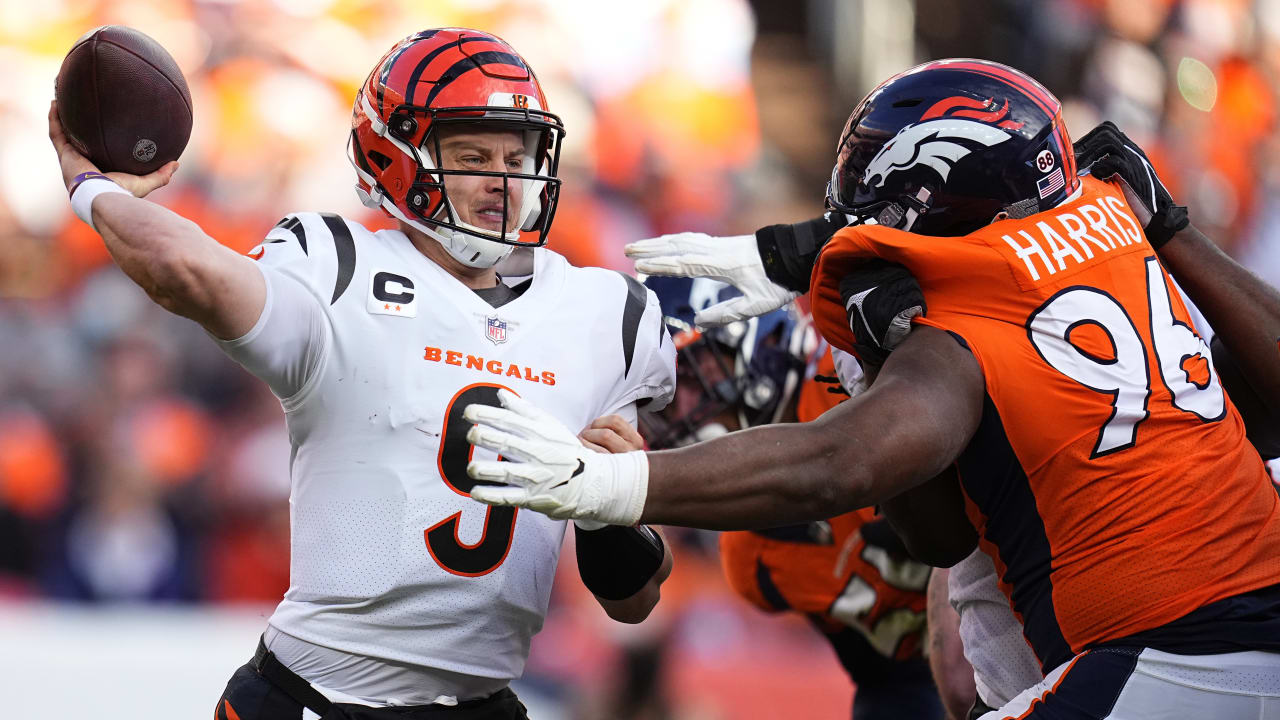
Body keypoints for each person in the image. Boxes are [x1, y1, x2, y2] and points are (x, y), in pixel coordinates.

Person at [458, 59, 1280, 719]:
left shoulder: (962, 316)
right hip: (1187, 616)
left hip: (1179, 641)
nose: (859, 229)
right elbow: (938, 539)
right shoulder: (1106, 226)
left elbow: (840, 463)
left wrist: (614, 484)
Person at [48, 28, 677, 719]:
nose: (504, 180)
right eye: (472, 156)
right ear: (394, 155)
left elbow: (634, 603)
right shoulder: (335, 266)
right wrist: (95, 191)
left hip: (483, 703)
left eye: (516, 155)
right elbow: (187, 271)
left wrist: (607, 516)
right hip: (316, 698)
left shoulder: (607, 316)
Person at [641, 276, 950, 719]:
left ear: (749, 341)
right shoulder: (753, 558)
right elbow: (887, 676)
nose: (671, 416)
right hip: (921, 670)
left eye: (686, 379)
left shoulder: (848, 366)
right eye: (653, 404)